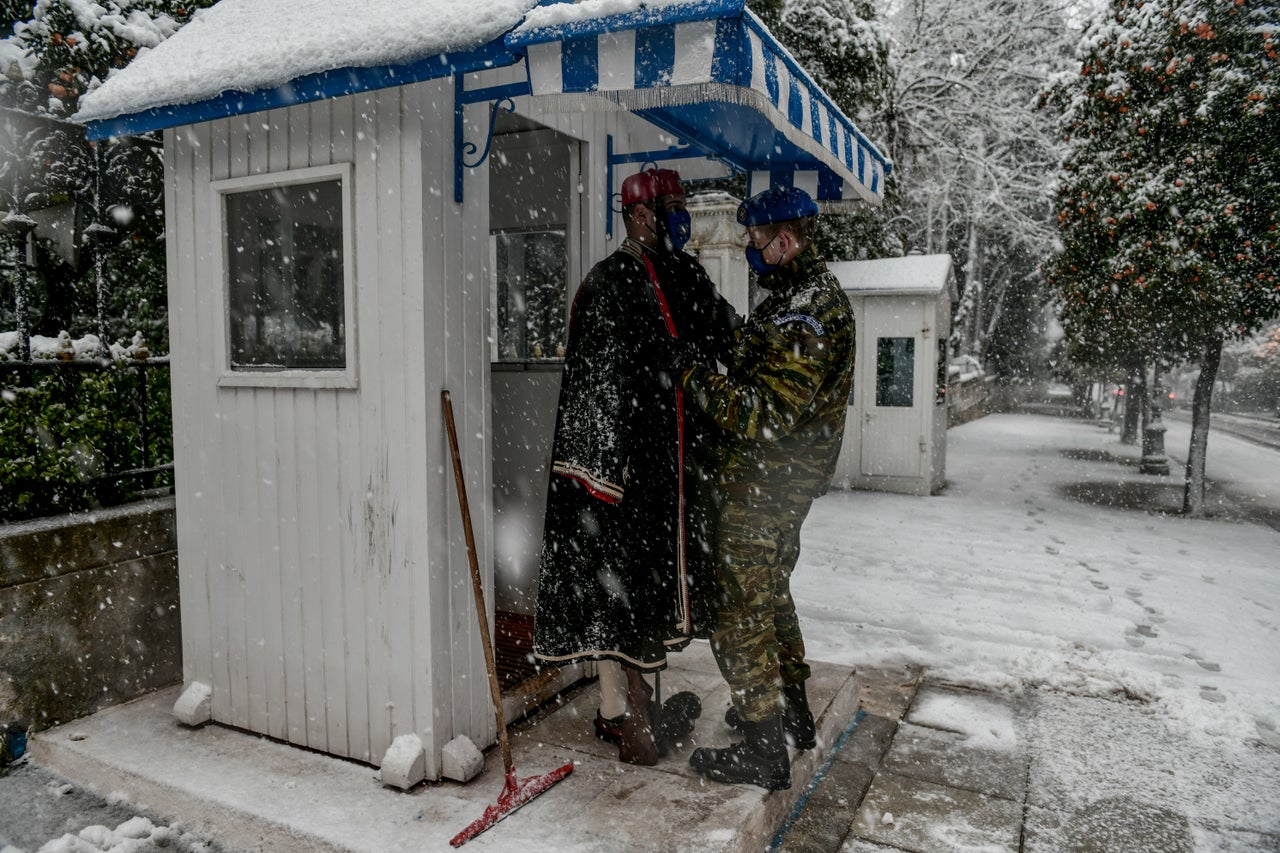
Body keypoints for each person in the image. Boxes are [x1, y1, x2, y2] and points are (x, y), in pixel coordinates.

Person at [532, 168, 733, 765]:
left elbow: (724, 332)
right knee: (630, 602)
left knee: (655, 600)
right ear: (640, 214)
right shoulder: (609, 284)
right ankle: (638, 730)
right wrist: (604, 482)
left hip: (678, 476)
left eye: (683, 205)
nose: (682, 216)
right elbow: (595, 393)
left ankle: (617, 715)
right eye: (673, 206)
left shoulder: (684, 272)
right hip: (630, 483)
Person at [670, 186, 855, 790]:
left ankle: (762, 744)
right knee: (770, 596)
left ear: (785, 240)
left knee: (739, 608)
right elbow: (759, 357)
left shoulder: (810, 312)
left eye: (755, 240)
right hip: (778, 483)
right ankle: (791, 714)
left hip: (767, 485)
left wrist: (690, 375)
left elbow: (764, 412)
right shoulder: (792, 299)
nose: (750, 250)